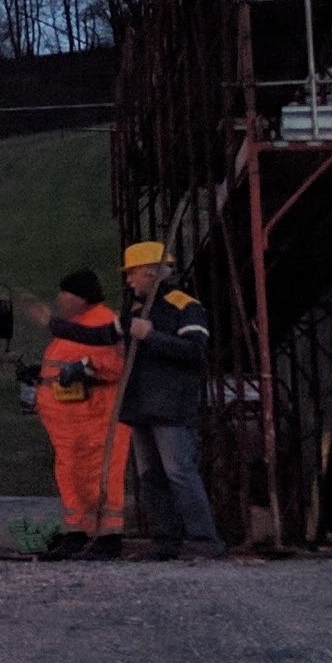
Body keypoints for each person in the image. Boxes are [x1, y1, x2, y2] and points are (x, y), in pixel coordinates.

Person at [116, 240, 226, 560]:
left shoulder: (187, 306)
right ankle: (166, 542)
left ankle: (204, 541)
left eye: (132, 274)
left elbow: (195, 353)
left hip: (171, 406)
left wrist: (150, 336)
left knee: (179, 473)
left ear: (151, 274)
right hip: (141, 406)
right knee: (150, 477)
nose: (129, 281)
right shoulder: (137, 311)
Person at [29, 267, 127, 555]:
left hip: (94, 419)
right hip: (71, 424)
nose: (59, 298)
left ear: (82, 297)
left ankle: (107, 536)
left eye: (65, 292)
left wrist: (84, 369)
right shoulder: (80, 324)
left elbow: (117, 366)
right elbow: (63, 366)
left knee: (98, 475)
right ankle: (78, 532)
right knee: (72, 476)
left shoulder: (103, 322)